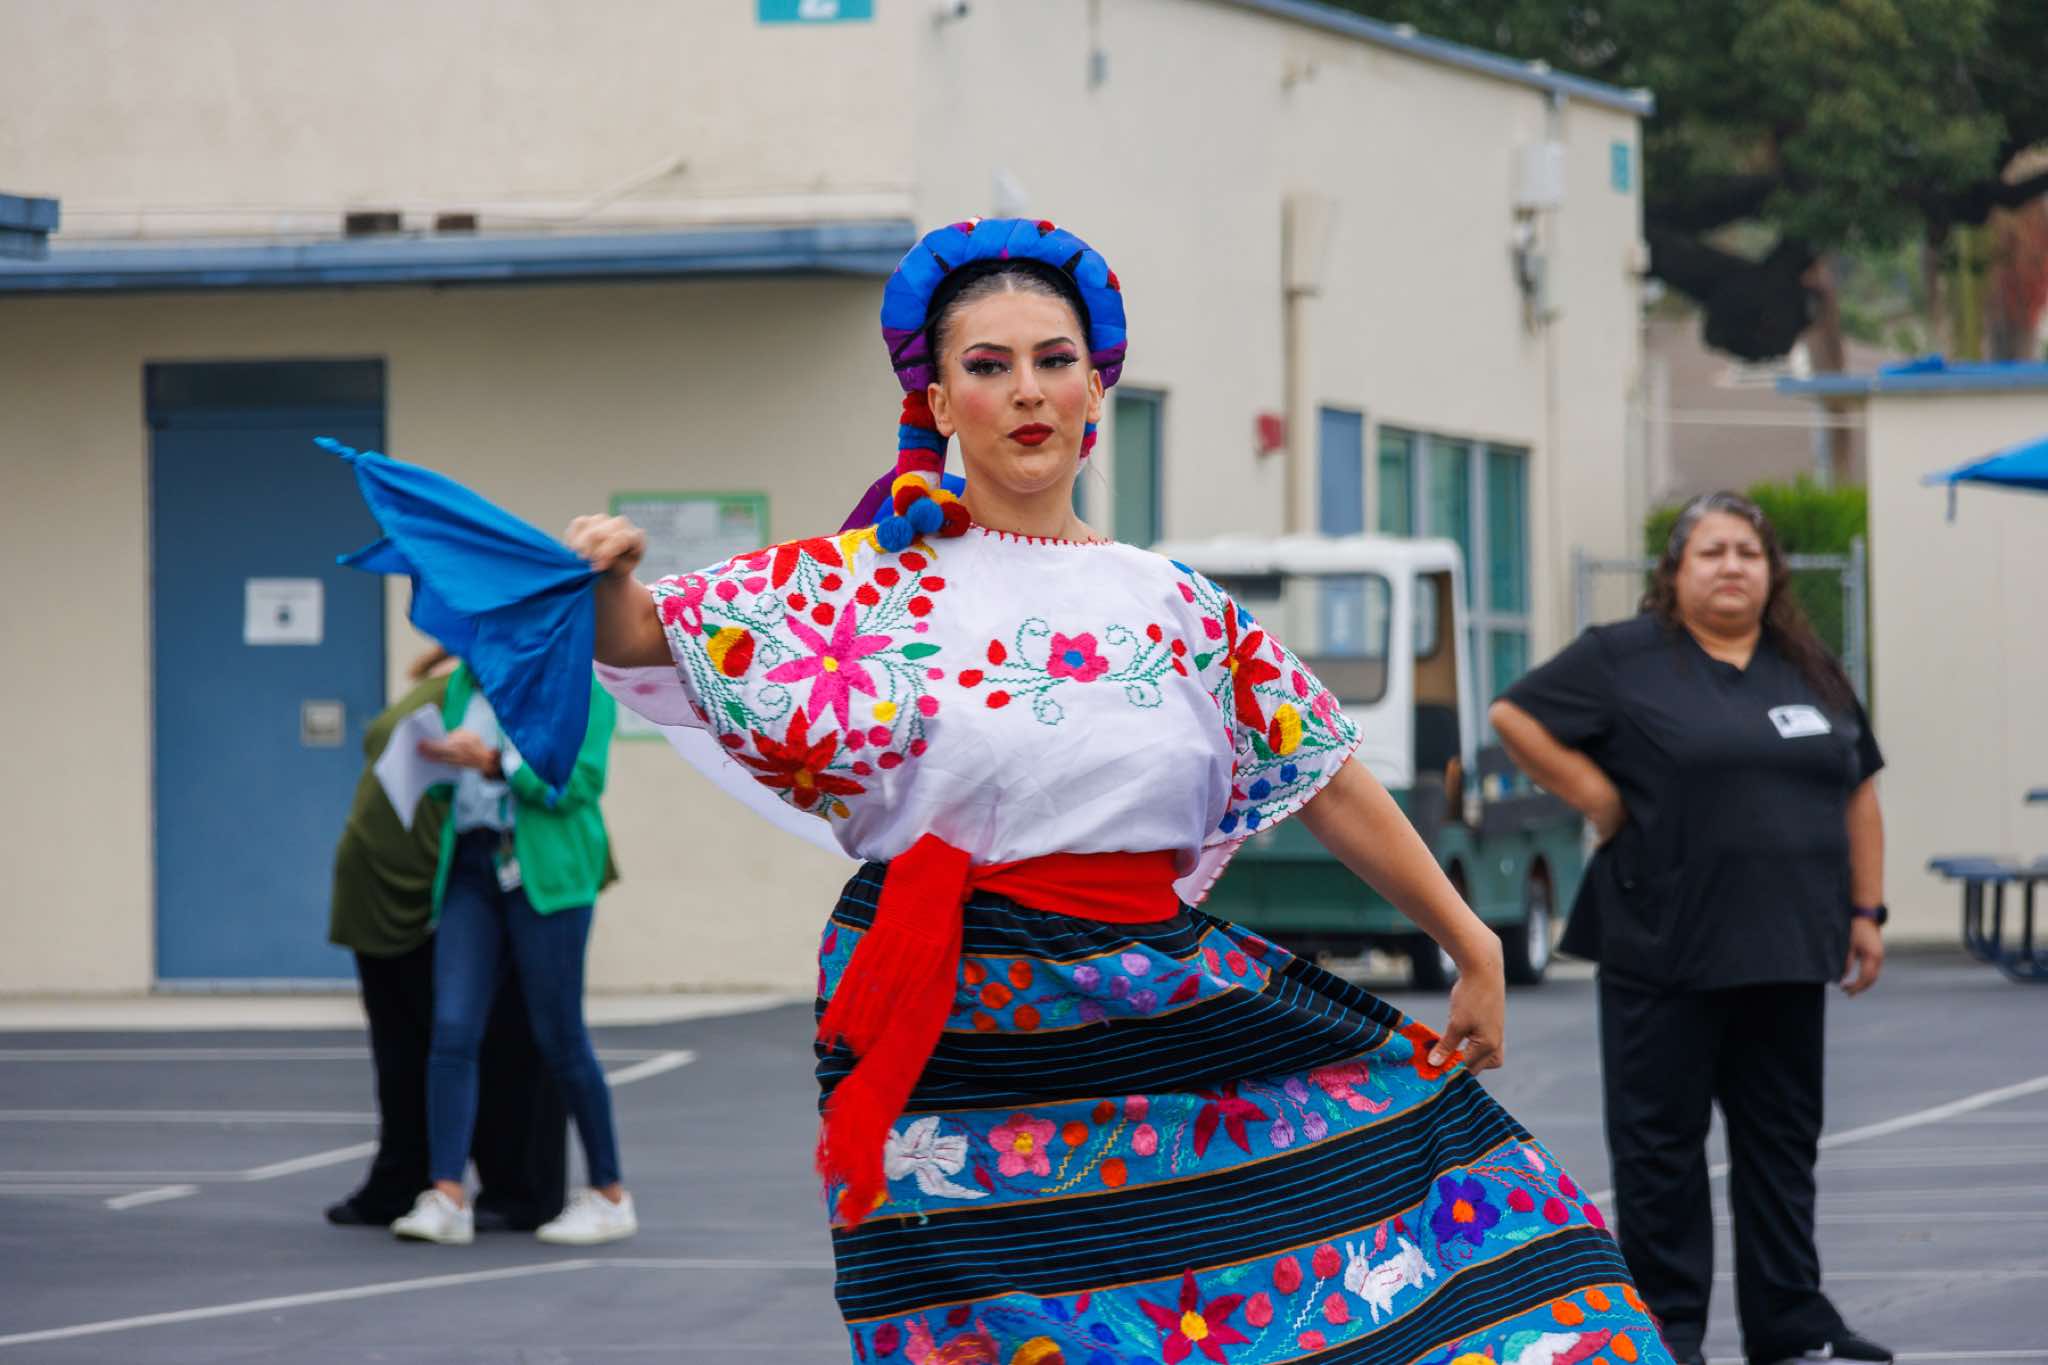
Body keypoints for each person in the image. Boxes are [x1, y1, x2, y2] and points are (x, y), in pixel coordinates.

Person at [559, 217, 1677, 1362]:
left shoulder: (1170, 603)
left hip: (1153, 1008)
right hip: (955, 1028)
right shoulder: (856, 586)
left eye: (1054, 361)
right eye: (987, 366)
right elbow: (646, 637)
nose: (1026, 391)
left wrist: (1468, 942)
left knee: (1357, 1267)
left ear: (1095, 389)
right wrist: (603, 575)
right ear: (937, 403)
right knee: (987, 1337)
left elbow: (1325, 776)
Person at [1490, 491, 1891, 1365]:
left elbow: (1858, 787)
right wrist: (1596, 795)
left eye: (1748, 551)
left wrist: (1866, 910)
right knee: (1660, 1150)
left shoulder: (1809, 666)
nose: (1731, 566)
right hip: (1662, 944)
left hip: (1789, 947)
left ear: (1771, 571)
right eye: (1711, 552)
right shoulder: (1624, 657)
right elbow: (1514, 715)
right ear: (1674, 572)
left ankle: (1792, 1320)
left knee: (1782, 1144)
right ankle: (1668, 1327)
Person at [388, 658, 634, 1246]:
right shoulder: (465, 682)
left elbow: (580, 782)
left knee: (560, 1036)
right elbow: (455, 785)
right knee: (452, 1028)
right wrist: (437, 761)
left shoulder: (578, 683)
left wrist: (494, 763)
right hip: (472, 865)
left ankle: (609, 1195)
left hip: (545, 871)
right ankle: (447, 1195)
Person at [325, 645, 569, 1232]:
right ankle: (420, 1180)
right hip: (399, 889)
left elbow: (561, 780)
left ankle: (511, 1185)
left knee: (503, 1042)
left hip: (464, 880)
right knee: (417, 1047)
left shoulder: (512, 678)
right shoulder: (456, 677)